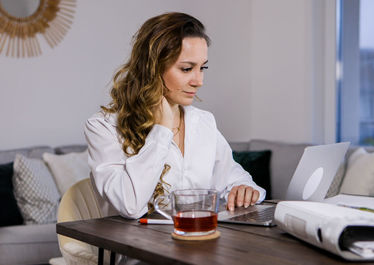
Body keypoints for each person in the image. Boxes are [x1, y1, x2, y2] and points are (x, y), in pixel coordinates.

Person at [84, 12, 265, 219]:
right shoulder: (103, 127)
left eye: (202, 68)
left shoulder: (203, 122)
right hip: (136, 248)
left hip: (195, 241)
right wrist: (161, 130)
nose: (199, 81)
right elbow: (130, 205)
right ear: (152, 68)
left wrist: (244, 188)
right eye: (187, 69)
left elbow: (233, 177)